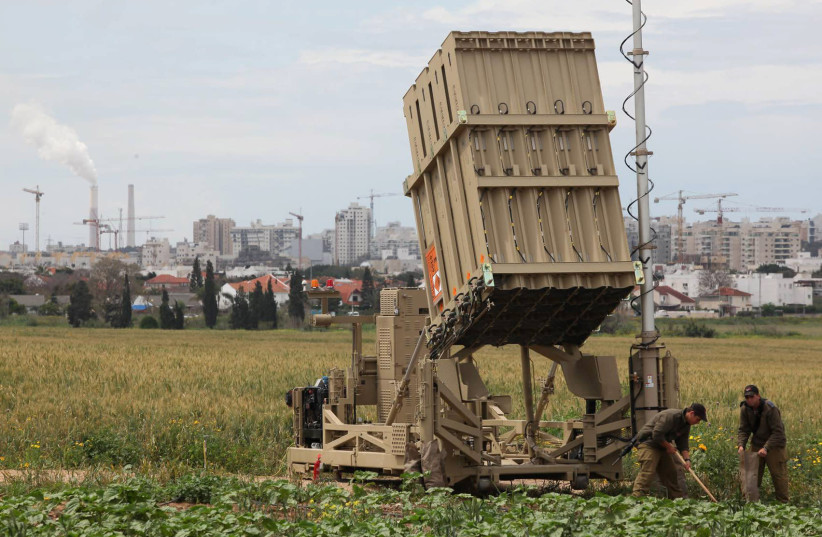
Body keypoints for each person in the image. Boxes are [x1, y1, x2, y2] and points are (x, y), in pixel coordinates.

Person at [632, 403, 708, 498]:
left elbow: (683, 443)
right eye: (698, 419)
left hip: (662, 446)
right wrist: (669, 447)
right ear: (691, 413)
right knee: (648, 471)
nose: (698, 422)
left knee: (671, 474)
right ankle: (636, 499)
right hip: (648, 443)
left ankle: (678, 502)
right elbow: (657, 435)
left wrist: (687, 460)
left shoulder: (686, 425)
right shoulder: (671, 416)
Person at [737, 384, 789, 502]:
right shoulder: (745, 409)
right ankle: (751, 505)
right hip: (757, 443)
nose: (749, 399)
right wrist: (741, 445)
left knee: (778, 477)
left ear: (758, 396)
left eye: (751, 397)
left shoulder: (770, 409)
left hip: (775, 445)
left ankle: (784, 505)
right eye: (747, 397)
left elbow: (778, 432)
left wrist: (766, 448)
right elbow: (743, 429)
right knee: (751, 476)